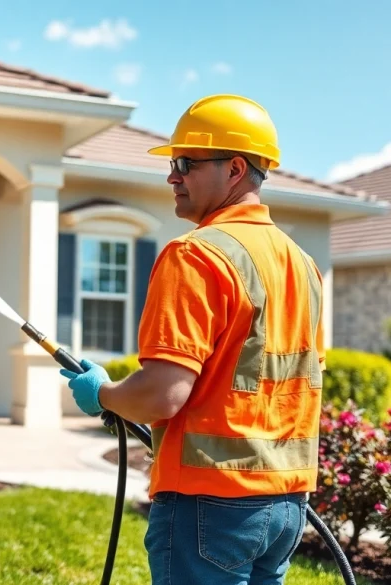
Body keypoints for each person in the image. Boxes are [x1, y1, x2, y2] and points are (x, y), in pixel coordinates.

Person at [61, 94, 326, 585]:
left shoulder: (196, 255)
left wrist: (103, 393)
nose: (172, 176)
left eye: (186, 162)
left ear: (236, 169)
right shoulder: (302, 265)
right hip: (287, 504)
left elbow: (162, 394)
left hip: (211, 505)